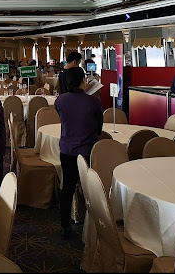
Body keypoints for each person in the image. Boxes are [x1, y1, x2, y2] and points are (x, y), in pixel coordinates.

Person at [54, 67, 103, 239]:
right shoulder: (94, 102)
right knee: (90, 188)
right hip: (87, 150)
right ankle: (93, 225)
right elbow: (99, 129)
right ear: (84, 80)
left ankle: (65, 224)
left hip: (67, 149)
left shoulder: (60, 100)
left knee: (67, 187)